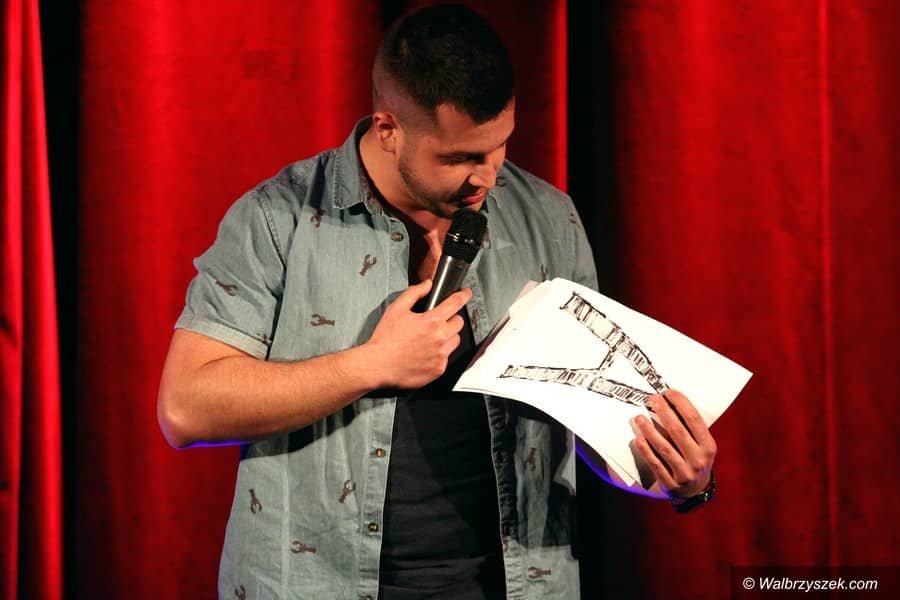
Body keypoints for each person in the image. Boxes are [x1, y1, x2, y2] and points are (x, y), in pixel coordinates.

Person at [157, 5, 717, 599]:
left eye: (499, 146)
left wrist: (675, 475)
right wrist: (371, 366)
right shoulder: (278, 219)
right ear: (388, 129)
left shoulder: (549, 218)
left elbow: (590, 422)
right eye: (459, 159)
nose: (488, 177)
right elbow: (186, 409)